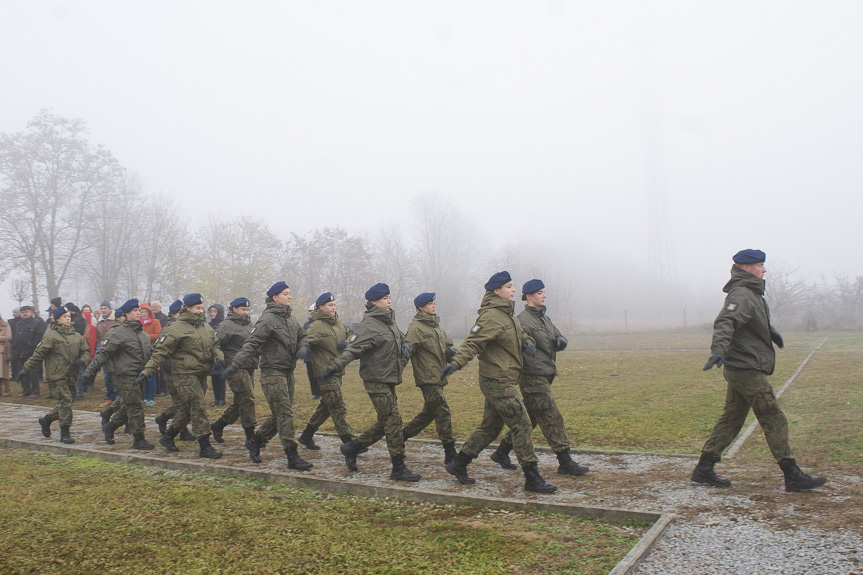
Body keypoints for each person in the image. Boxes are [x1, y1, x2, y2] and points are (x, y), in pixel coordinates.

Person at [696, 249, 827, 492]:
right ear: (747, 268)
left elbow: (751, 320)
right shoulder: (743, 293)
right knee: (772, 415)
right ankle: (792, 474)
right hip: (746, 368)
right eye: (760, 265)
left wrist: (770, 330)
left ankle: (704, 468)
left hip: (743, 366)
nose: (764, 269)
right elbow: (727, 321)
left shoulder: (752, 293)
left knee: (732, 418)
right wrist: (718, 350)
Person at [441, 271, 557, 493]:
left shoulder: (509, 315)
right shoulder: (490, 317)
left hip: (505, 378)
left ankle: (459, 463)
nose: (514, 290)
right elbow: (472, 343)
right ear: (496, 291)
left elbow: (521, 333)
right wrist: (456, 363)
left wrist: (527, 342)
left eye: (513, 286)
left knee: (491, 426)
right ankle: (532, 477)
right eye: (509, 286)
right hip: (496, 380)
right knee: (521, 424)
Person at [322, 282, 420, 482]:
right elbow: (352, 349)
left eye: (389, 297)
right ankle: (398, 467)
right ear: (374, 302)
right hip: (376, 380)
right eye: (385, 298)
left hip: (390, 377)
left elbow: (403, 338)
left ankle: (352, 448)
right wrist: (335, 366)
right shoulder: (368, 325)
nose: (389, 300)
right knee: (393, 420)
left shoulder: (389, 322)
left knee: (384, 422)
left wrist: (407, 347)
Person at [491, 280, 589, 476]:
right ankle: (565, 461)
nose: (543, 295)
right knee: (551, 416)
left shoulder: (544, 318)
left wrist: (561, 341)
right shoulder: (521, 320)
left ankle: (501, 452)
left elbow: (557, 335)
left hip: (545, 373)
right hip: (532, 376)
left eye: (544, 292)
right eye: (539, 293)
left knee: (530, 419)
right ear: (528, 296)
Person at [225, 282, 312, 470]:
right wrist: (236, 364)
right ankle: (292, 455)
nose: (289, 297)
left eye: (290, 293)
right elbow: (251, 343)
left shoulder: (290, 319)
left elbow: (303, 335)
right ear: (275, 298)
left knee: (279, 413)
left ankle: (256, 440)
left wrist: (303, 346)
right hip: (272, 372)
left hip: (287, 372)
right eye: (285, 294)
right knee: (285, 414)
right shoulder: (268, 319)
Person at [139, 293, 224, 459]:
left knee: (186, 410)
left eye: (202, 308)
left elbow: (216, 345)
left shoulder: (206, 328)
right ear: (188, 308)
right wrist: (147, 371)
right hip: (184, 375)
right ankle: (205, 446)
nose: (201, 311)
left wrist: (218, 357)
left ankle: (168, 436)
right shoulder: (175, 329)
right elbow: (160, 353)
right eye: (198, 308)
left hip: (201, 374)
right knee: (198, 407)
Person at [83, 299, 155, 450]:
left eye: (139, 311)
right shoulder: (118, 333)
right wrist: (89, 372)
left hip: (140, 375)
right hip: (124, 375)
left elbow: (149, 353)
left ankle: (110, 427)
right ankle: (138, 439)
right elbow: (103, 353)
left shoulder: (142, 334)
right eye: (135, 311)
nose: (138, 313)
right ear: (127, 314)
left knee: (128, 405)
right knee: (135, 406)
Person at [19, 306, 89, 444]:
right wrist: (25, 370)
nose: (68, 319)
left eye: (69, 316)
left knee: (66, 402)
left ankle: (46, 420)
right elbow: (38, 355)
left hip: (71, 375)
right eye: (64, 317)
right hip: (57, 376)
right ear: (57, 319)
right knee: (66, 402)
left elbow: (86, 351)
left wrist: (83, 360)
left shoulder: (77, 336)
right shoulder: (51, 336)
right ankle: (65, 433)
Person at [402, 292, 458, 464]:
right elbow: (406, 351)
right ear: (421, 307)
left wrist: (451, 354)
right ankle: (450, 453)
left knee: (428, 413)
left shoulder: (436, 326)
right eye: (430, 303)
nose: (434, 305)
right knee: (443, 411)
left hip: (439, 375)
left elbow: (448, 345)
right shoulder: (416, 328)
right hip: (427, 378)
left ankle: (400, 438)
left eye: (434, 303)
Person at [297, 292, 357, 452]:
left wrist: (347, 343)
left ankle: (306, 435)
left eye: (334, 305)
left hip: (338, 370)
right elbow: (306, 340)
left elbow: (353, 335)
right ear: (321, 307)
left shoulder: (338, 323)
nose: (333, 308)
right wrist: (303, 347)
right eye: (330, 305)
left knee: (326, 406)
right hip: (325, 373)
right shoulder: (316, 326)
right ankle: (348, 441)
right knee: (338, 407)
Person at [210, 297, 257, 448]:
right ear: (234, 309)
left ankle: (218, 425)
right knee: (247, 399)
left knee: (240, 401)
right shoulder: (226, 326)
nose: (246, 312)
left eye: (247, 309)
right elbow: (215, 345)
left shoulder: (249, 324)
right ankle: (251, 437)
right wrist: (219, 360)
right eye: (243, 309)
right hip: (234, 367)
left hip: (249, 366)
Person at [153, 300, 195, 442]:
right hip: (171, 372)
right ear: (173, 314)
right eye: (180, 313)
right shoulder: (168, 329)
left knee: (183, 402)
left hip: (184, 371)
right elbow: (160, 351)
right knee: (181, 403)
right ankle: (179, 429)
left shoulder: (185, 327)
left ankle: (165, 419)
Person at [11, 305, 45, 397]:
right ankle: (25, 390)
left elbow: (39, 336)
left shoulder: (37, 323)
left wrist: (32, 345)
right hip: (20, 351)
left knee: (33, 372)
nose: (24, 314)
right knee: (22, 371)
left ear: (31, 312)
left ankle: (35, 391)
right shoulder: (18, 324)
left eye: (26, 312)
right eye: (22, 312)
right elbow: (16, 337)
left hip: (31, 351)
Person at [139, 303, 161, 407]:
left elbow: (158, 335)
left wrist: (145, 336)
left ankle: (151, 397)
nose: (143, 314)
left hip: (151, 352)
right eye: (141, 312)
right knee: (142, 375)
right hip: (139, 352)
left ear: (149, 313)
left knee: (151, 375)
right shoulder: (137, 323)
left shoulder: (155, 322)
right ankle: (144, 396)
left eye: (145, 312)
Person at [95, 301, 117, 407]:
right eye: (101, 308)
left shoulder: (115, 319)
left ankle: (118, 396)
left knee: (116, 374)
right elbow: (98, 337)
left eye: (105, 308)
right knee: (107, 376)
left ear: (109, 309)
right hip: (103, 351)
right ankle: (110, 397)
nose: (103, 310)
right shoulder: (99, 321)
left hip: (115, 351)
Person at [208, 303, 227, 407]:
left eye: (214, 311)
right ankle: (216, 398)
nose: (212, 314)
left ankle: (221, 399)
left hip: (220, 353)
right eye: (211, 311)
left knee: (220, 377)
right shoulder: (210, 325)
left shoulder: (223, 324)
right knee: (214, 377)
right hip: (211, 353)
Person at [303, 303, 322, 401]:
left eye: (312, 312)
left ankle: (321, 392)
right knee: (311, 375)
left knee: (320, 374)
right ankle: (315, 393)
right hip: (309, 354)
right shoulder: (306, 325)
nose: (311, 314)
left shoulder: (320, 323)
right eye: (310, 312)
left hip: (319, 354)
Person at [0, 312, 12, 396]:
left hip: (2, 350)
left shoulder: (5, 325)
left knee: (4, 372)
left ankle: (7, 390)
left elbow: (8, 336)